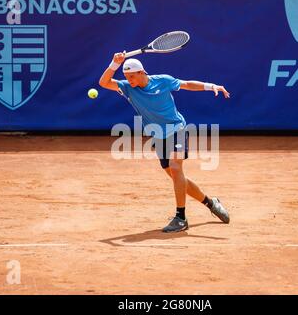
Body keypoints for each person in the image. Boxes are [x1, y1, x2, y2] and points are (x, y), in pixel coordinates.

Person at [99, 51, 231, 232]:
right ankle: (210, 202)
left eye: (132, 76)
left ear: (142, 72)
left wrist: (210, 86)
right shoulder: (128, 88)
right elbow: (104, 82)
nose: (129, 80)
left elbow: (187, 85)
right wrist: (114, 64)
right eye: (126, 77)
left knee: (176, 168)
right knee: (176, 177)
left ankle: (180, 217)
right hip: (158, 135)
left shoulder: (163, 80)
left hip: (176, 128)